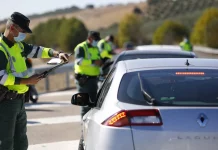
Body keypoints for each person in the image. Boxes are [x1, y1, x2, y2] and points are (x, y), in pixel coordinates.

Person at [0, 12, 69, 150]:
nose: (24, 34)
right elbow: (1, 78)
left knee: (21, 143)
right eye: (23, 31)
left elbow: (37, 50)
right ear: (12, 27)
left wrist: (57, 54)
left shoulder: (18, 46)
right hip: (6, 103)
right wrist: (27, 81)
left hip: (19, 102)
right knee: (6, 143)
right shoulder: (1, 49)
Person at [74, 31, 102, 118]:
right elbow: (79, 61)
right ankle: (84, 127)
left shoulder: (96, 48)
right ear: (89, 38)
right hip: (84, 80)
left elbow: (98, 61)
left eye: (98, 40)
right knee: (85, 105)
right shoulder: (81, 47)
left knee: (93, 105)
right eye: (95, 39)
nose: (97, 41)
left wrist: (101, 63)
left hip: (94, 80)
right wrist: (93, 61)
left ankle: (90, 127)